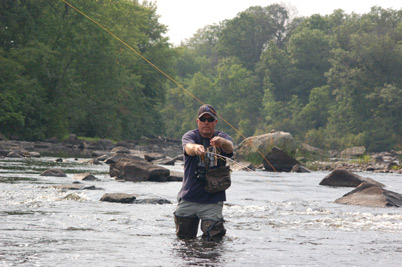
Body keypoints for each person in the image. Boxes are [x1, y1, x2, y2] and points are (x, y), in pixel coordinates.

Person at [174, 104, 234, 241]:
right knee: (184, 243)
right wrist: (196, 149)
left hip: (212, 201)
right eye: (203, 119)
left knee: (213, 243)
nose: (206, 122)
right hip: (189, 198)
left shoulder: (222, 137)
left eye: (210, 120)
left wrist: (222, 142)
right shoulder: (190, 136)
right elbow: (188, 147)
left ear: (215, 122)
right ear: (198, 121)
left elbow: (230, 148)